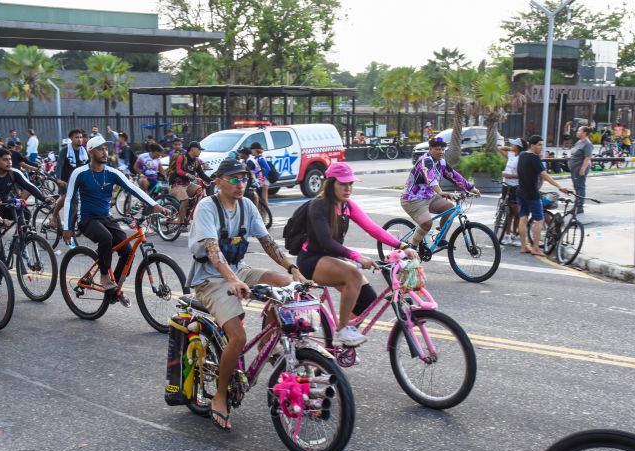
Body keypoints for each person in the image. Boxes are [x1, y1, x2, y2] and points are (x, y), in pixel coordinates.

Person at [186, 157, 306, 430]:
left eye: (244, 179)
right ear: (218, 182)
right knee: (238, 336)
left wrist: (292, 267)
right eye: (234, 179)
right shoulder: (207, 207)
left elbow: (267, 241)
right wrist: (231, 280)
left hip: (240, 270)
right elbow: (213, 251)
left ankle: (269, 343)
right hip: (210, 279)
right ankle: (219, 396)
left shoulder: (247, 205)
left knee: (284, 283)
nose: (241, 184)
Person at [298, 162, 415, 346]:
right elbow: (326, 241)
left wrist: (401, 245)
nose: (348, 188)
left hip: (333, 259)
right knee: (353, 274)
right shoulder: (318, 205)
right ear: (330, 184)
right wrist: (356, 256)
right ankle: (343, 329)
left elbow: (372, 228)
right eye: (343, 184)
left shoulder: (346, 205)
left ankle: (344, 344)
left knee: (367, 300)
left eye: (350, 184)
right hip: (312, 260)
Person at [61, 136, 167, 305]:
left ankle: (114, 289)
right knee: (106, 238)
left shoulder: (112, 172)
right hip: (87, 219)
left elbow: (133, 188)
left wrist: (154, 205)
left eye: (105, 149)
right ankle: (104, 277)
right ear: (90, 152)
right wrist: (67, 227)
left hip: (106, 218)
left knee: (127, 251)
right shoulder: (79, 173)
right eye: (100, 149)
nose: (104, 152)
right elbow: (68, 200)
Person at [400, 136, 480, 249]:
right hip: (413, 199)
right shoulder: (425, 160)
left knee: (449, 209)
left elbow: (454, 176)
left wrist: (471, 188)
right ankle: (411, 248)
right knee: (427, 224)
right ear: (430, 149)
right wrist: (441, 192)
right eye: (437, 149)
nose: (440, 152)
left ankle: (440, 238)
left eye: (442, 149)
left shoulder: (441, 162)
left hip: (429, 197)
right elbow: (430, 178)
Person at [0, 147, 52, 262]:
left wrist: (44, 199)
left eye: (10, 159)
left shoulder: (14, 172)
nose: (9, 162)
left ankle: (20, 242)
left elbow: (29, 186)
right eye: (5, 160)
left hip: (4, 205)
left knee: (25, 213)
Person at [516, 135, 569, 256]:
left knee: (523, 219)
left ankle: (523, 247)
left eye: (542, 145)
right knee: (539, 220)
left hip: (520, 192)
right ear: (532, 145)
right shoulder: (534, 158)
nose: (541, 147)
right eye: (539, 145)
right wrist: (559, 186)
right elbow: (544, 175)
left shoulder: (523, 155)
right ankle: (535, 248)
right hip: (532, 194)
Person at [50, 129, 88, 229]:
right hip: (65, 180)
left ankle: (73, 224)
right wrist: (58, 179)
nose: (80, 139)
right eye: (77, 137)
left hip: (78, 180)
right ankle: (54, 216)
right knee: (66, 196)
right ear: (71, 139)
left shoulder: (84, 151)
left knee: (80, 202)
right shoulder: (65, 151)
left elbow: (89, 165)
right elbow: (59, 165)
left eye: (81, 137)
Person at [169, 141, 211, 225]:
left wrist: (214, 180)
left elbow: (202, 174)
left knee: (200, 190)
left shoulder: (196, 162)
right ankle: (181, 222)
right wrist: (187, 174)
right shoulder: (182, 157)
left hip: (187, 184)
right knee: (185, 200)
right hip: (176, 185)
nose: (200, 151)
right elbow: (178, 170)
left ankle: (188, 211)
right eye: (199, 149)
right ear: (193, 149)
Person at [497, 138, 525, 246]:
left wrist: (510, 175)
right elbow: (499, 148)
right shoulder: (511, 154)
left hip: (516, 186)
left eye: (513, 144)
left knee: (516, 212)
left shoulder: (521, 158)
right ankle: (507, 235)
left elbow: (522, 174)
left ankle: (516, 235)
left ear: (518, 147)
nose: (511, 145)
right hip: (506, 185)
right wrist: (511, 148)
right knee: (508, 212)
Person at [568, 126, 593, 220]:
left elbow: (587, 157)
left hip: (580, 168)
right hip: (574, 168)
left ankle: (580, 206)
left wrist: (583, 169)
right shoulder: (579, 142)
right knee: (576, 186)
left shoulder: (587, 144)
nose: (577, 132)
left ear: (585, 133)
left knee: (580, 186)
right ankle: (577, 203)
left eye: (579, 131)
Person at [246, 142, 271, 222]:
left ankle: (265, 216)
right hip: (259, 180)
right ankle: (261, 214)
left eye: (252, 149)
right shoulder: (255, 158)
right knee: (259, 198)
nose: (251, 151)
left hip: (264, 180)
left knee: (264, 198)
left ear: (256, 150)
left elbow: (267, 169)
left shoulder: (261, 158)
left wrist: (260, 176)